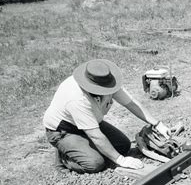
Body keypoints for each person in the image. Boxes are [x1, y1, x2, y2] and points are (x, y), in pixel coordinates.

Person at [43, 59, 171, 173]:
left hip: (90, 122)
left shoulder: (107, 83)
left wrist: (157, 123)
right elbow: (95, 136)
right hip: (64, 130)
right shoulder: (77, 98)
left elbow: (131, 104)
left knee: (123, 145)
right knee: (95, 163)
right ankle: (64, 156)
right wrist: (120, 160)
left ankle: (80, 147)